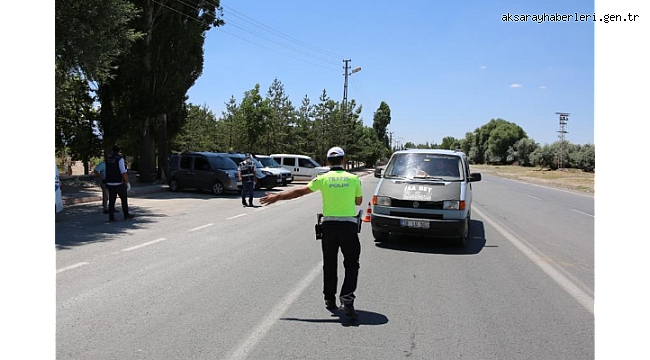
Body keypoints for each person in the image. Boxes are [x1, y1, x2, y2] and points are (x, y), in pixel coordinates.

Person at [260, 146, 363, 319]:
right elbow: (358, 201)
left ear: (328, 162)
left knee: (330, 263)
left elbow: (300, 191)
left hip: (329, 226)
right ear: (344, 160)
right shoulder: (354, 179)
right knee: (351, 263)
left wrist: (277, 197)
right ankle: (347, 298)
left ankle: (329, 299)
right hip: (348, 226)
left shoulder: (322, 178)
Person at [105, 145, 134, 222]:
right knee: (124, 199)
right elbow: (123, 172)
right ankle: (126, 215)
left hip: (109, 182)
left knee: (111, 200)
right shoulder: (119, 159)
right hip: (118, 183)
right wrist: (127, 182)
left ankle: (111, 217)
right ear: (119, 151)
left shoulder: (108, 159)